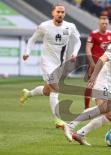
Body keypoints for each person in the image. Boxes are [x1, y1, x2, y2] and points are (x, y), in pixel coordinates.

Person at [19, 3, 81, 140]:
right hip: (47, 62)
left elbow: (78, 41)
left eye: (63, 12)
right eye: (58, 12)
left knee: (47, 91)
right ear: (53, 13)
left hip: (60, 64)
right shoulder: (44, 26)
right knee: (55, 88)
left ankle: (28, 93)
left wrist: (75, 53)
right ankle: (57, 119)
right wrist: (27, 52)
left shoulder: (70, 27)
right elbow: (32, 39)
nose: (60, 14)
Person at [84, 16, 111, 109]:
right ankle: (86, 107)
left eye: (106, 24)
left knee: (109, 83)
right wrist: (91, 63)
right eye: (103, 24)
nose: (105, 25)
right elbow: (88, 49)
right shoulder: (93, 34)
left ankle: (110, 106)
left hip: (106, 64)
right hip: (95, 63)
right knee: (90, 84)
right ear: (99, 24)